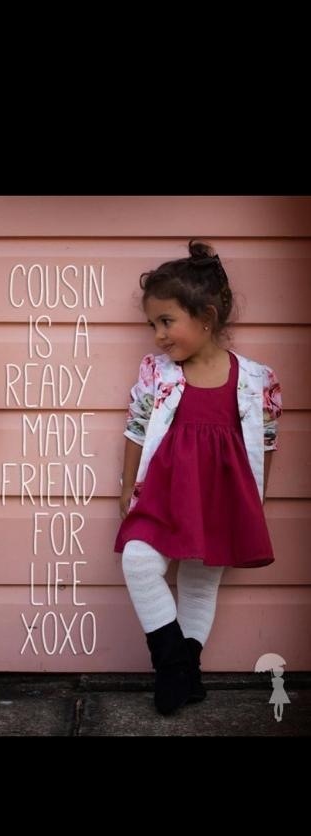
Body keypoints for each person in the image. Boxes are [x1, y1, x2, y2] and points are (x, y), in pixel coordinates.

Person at [114, 240, 282, 716]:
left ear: (206, 317)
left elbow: (266, 442)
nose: (158, 336)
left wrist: (255, 500)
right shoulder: (157, 372)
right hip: (163, 491)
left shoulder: (256, 379)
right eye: (153, 325)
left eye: (166, 322)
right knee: (139, 562)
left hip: (220, 496)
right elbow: (136, 427)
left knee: (200, 582)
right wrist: (126, 488)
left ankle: (188, 672)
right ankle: (173, 665)